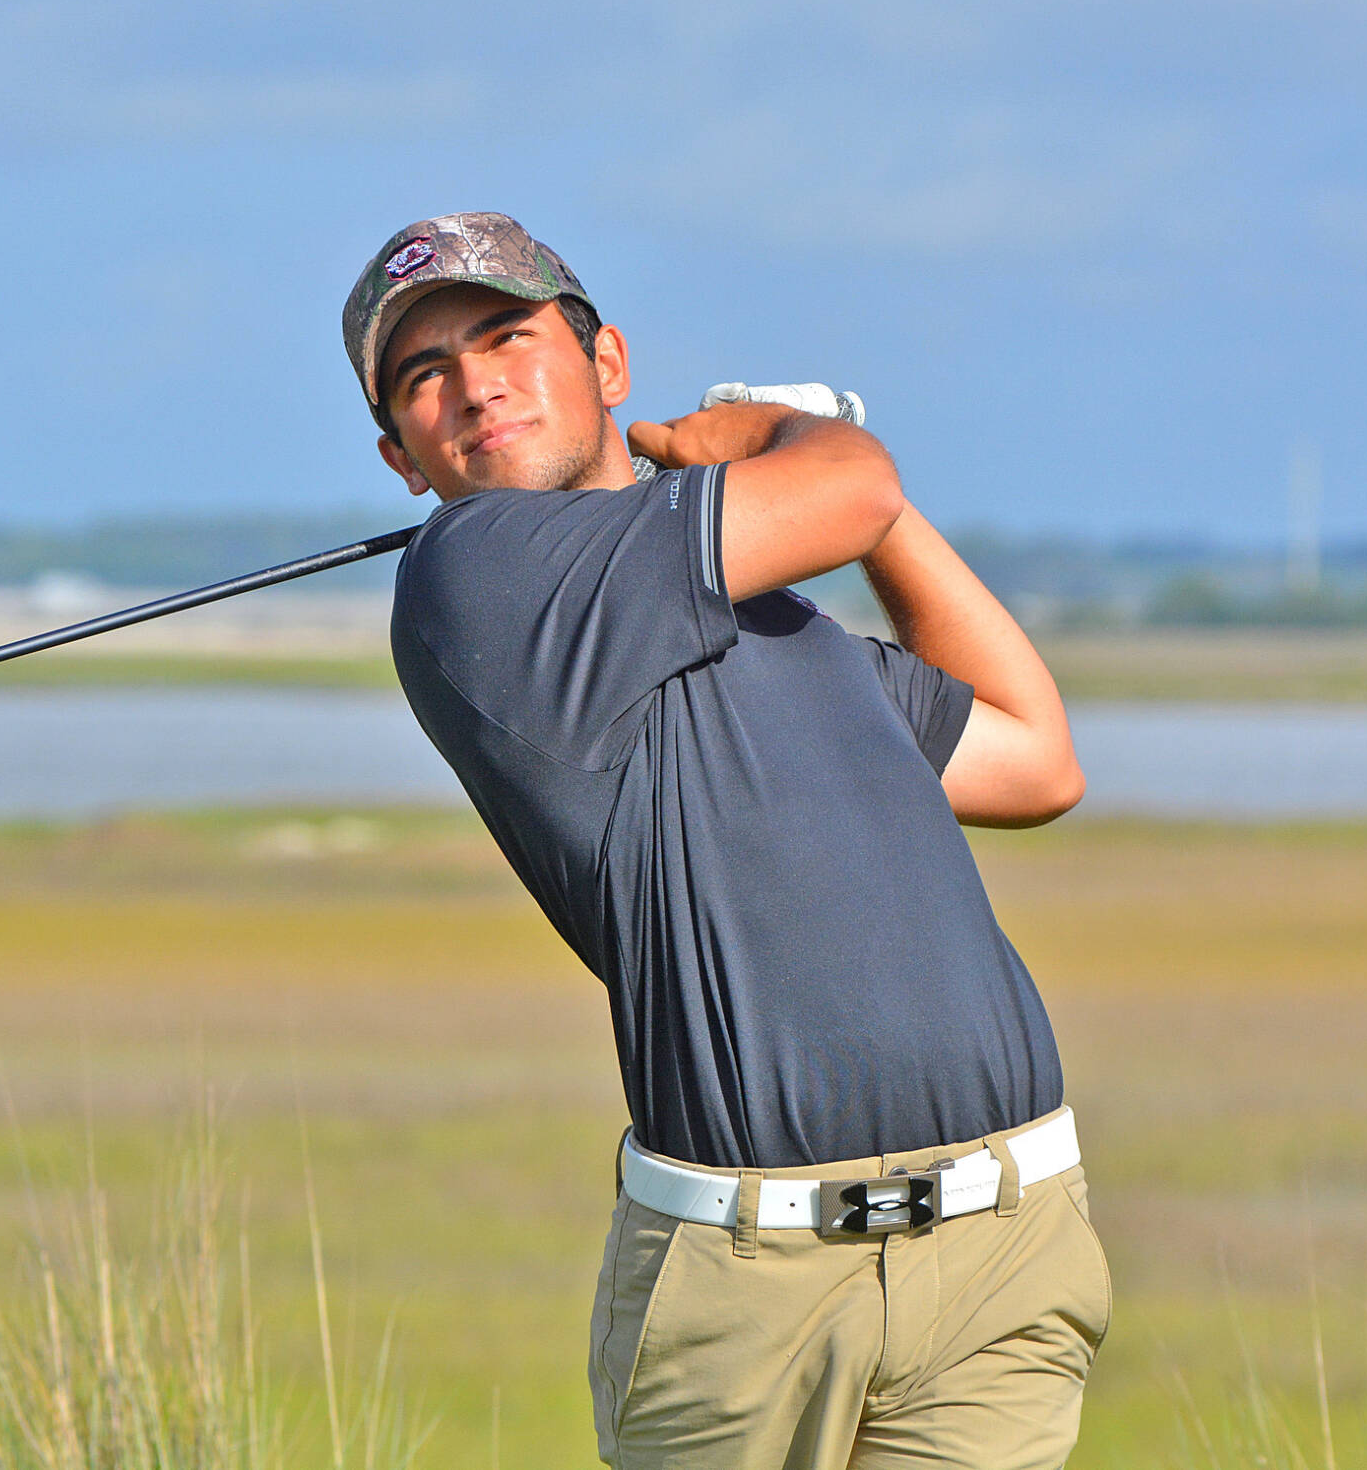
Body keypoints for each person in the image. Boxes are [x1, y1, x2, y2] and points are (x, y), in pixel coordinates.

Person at [343, 212, 1109, 1469]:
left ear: (607, 368)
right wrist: (768, 439)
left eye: (506, 336)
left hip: (999, 1252)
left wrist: (875, 516)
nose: (475, 383)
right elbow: (845, 483)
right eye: (425, 376)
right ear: (402, 457)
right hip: (751, 1285)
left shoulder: (782, 626)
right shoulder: (474, 571)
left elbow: (1035, 757)